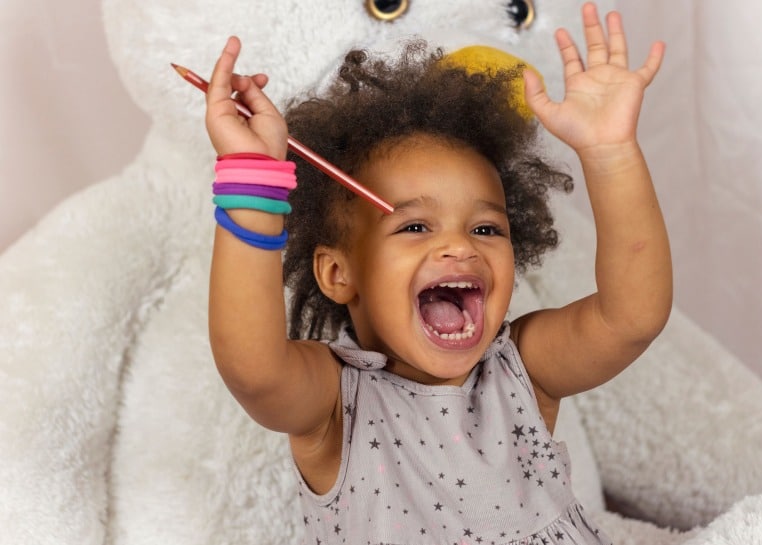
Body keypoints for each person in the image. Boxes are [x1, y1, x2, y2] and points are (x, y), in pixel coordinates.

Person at [204, 2, 671, 543]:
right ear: (338, 273)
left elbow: (633, 316)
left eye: (486, 230)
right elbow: (253, 369)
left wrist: (611, 154)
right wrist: (252, 182)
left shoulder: (523, 371)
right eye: (415, 228)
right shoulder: (336, 404)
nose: (459, 247)